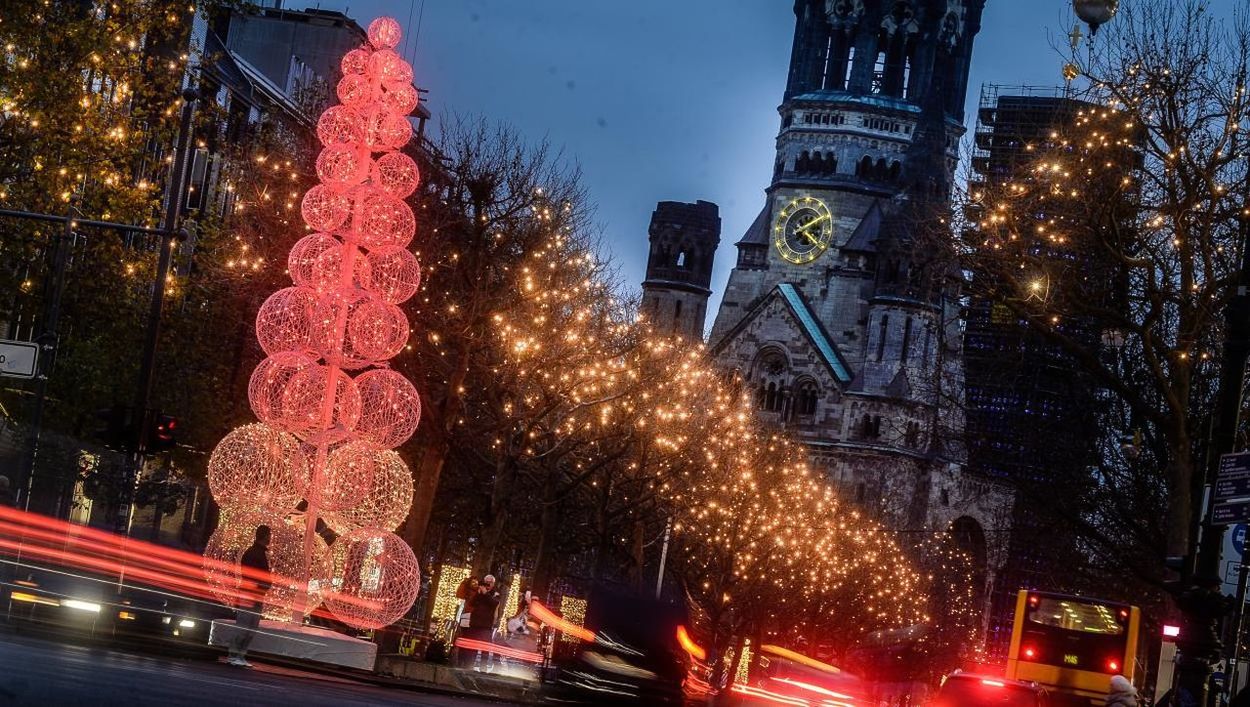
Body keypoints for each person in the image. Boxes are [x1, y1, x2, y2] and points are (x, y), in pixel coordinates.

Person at [228, 525, 271, 668]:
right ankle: (234, 655)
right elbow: (250, 575)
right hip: (250, 594)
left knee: (251, 628)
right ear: (264, 536)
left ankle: (239, 655)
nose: (271, 538)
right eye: (269, 535)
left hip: (256, 594)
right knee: (244, 627)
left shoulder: (258, 553)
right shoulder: (253, 553)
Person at [460, 574, 500, 670]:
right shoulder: (479, 592)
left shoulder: (496, 594)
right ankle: (468, 666)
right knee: (471, 647)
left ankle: (483, 668)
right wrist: (478, 593)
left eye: (490, 582)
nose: (488, 584)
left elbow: (494, 603)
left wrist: (485, 593)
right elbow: (472, 603)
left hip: (486, 626)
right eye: (487, 581)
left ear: (493, 584)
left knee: (485, 648)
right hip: (474, 624)